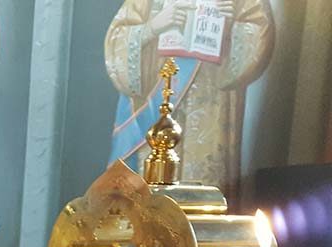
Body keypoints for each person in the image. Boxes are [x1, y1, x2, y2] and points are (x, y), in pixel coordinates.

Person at [105, 0, 274, 197]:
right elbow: (118, 39)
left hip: (209, 101)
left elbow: (259, 32)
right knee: (145, 195)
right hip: (153, 101)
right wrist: (153, 27)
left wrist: (229, 28)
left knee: (203, 192)